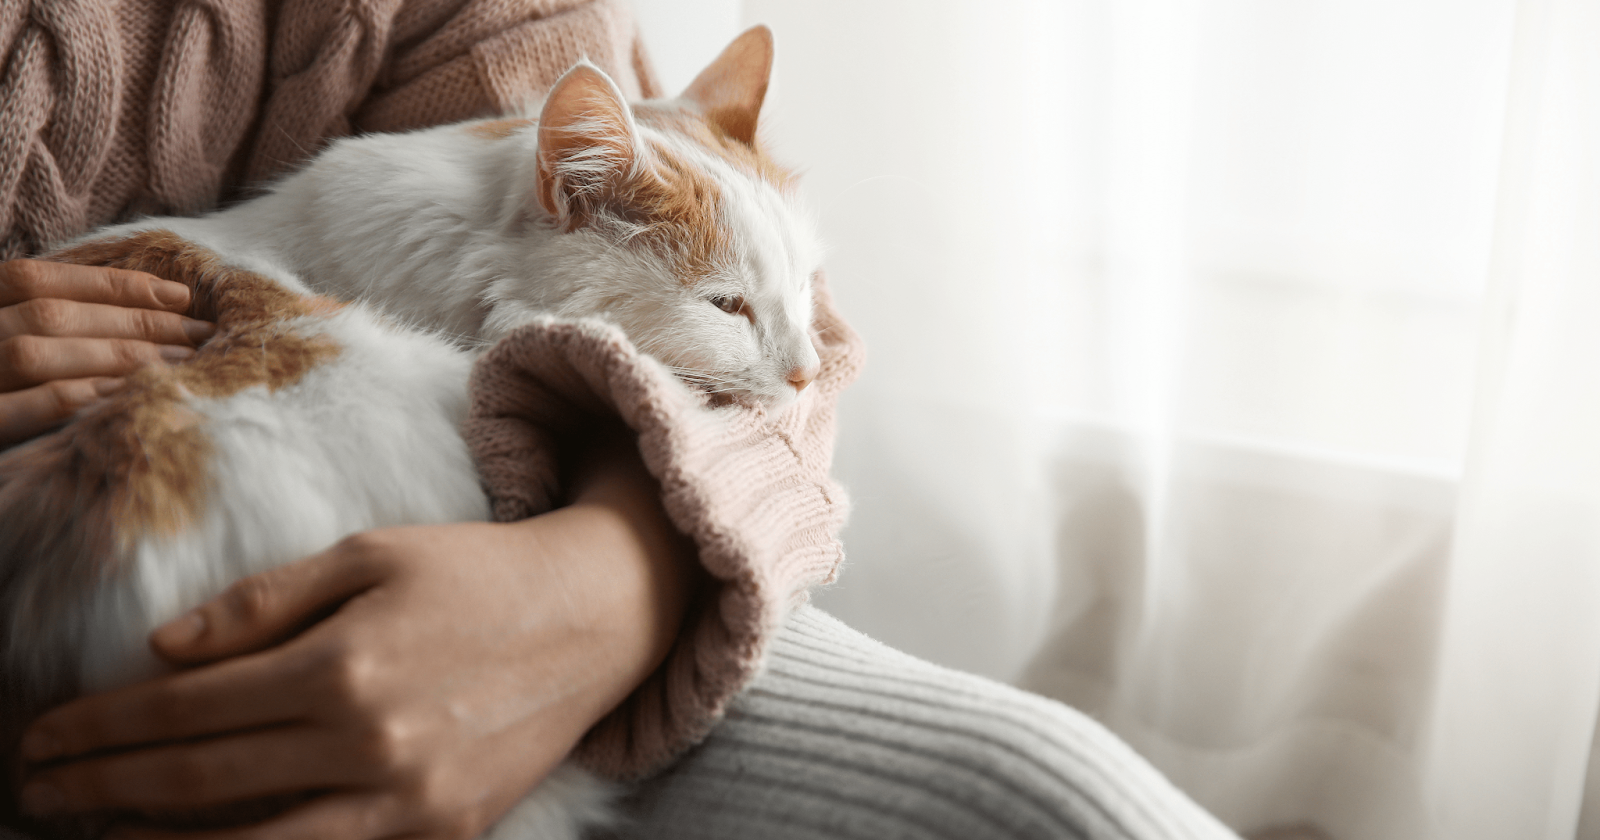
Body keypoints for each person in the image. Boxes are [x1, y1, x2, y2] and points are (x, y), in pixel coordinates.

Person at [0, 2, 1240, 838]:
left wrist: (616, 578)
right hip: (176, 561)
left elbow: (793, 376)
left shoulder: (556, 116)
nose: (807, 362)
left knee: (1055, 798)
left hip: (617, 560)